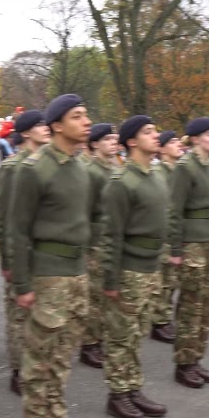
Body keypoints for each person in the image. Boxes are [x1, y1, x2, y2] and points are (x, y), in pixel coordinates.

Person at [9, 93, 97, 418]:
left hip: (76, 273)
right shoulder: (35, 169)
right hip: (47, 275)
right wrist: (22, 284)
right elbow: (17, 230)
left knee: (63, 356)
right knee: (39, 357)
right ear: (57, 125)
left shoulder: (80, 166)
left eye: (86, 115)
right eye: (78, 116)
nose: (87, 122)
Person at [99, 115, 170, 418]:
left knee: (138, 332)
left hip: (151, 268)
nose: (156, 136)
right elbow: (111, 236)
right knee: (120, 335)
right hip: (129, 269)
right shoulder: (121, 182)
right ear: (131, 142)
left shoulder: (156, 175)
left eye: (155, 130)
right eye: (148, 132)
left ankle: (133, 387)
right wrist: (111, 280)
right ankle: (117, 394)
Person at [0, 111, 48, 397]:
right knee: (18, 315)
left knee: (40, 315)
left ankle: (37, 366)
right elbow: (2, 215)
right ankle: (18, 371)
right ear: (25, 132)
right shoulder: (13, 167)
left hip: (43, 251)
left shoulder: (47, 164)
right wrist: (6, 258)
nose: (46, 128)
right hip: (20, 250)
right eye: (39, 125)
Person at [167, 118, 209, 388]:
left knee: (207, 304)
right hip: (192, 244)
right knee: (191, 305)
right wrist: (175, 248)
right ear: (195, 139)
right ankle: (184, 363)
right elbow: (174, 211)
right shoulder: (185, 166)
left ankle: (196, 357)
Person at [79, 123, 119, 369]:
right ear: (94, 144)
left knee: (108, 294)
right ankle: (89, 344)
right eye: (107, 139)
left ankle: (101, 337)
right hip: (95, 243)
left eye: (114, 139)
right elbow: (83, 211)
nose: (113, 143)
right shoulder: (91, 172)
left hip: (111, 240)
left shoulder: (114, 168)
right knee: (94, 296)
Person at [148, 130, 183, 342]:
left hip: (176, 232)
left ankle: (164, 316)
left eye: (178, 140)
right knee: (163, 281)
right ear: (161, 149)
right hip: (164, 235)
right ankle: (159, 322)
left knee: (172, 280)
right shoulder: (159, 172)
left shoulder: (176, 171)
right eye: (172, 141)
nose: (178, 144)